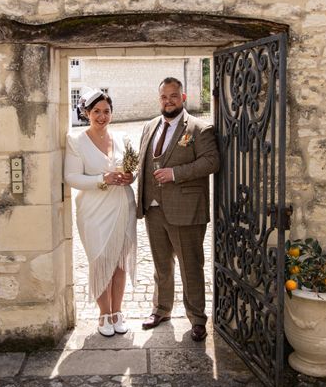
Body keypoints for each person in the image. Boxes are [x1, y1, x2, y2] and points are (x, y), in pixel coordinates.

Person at [136, 77, 220, 341]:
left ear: (183, 98)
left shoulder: (199, 128)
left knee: (190, 265)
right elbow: (144, 162)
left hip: (185, 209)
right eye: (164, 96)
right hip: (154, 208)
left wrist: (175, 173)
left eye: (173, 96)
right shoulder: (150, 126)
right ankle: (161, 309)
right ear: (159, 98)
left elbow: (211, 161)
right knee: (161, 264)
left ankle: (197, 319)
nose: (168, 101)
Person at [64, 88, 137, 337]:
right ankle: (103, 313)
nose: (102, 116)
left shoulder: (122, 138)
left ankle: (117, 312)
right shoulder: (76, 141)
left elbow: (132, 169)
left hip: (122, 206)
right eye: (96, 111)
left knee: (119, 264)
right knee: (100, 261)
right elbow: (71, 177)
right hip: (93, 212)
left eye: (106, 111)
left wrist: (130, 176)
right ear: (86, 113)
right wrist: (101, 179)